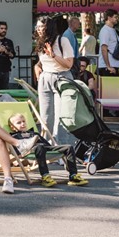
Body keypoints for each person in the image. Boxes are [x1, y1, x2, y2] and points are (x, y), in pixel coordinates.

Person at [7, 113, 88, 187]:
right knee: (40, 147)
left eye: (23, 121)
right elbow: (16, 149)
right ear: (12, 127)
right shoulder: (13, 136)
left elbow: (48, 145)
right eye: (19, 123)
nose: (22, 124)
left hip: (44, 148)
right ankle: (45, 176)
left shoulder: (34, 133)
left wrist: (53, 150)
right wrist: (17, 156)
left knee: (69, 147)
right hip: (31, 150)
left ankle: (73, 175)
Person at [34, 15, 75, 144]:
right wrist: (37, 66)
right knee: (45, 117)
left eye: (42, 26)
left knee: (60, 116)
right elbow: (43, 60)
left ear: (49, 27)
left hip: (61, 77)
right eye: (37, 26)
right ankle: (46, 145)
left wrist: (53, 55)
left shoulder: (62, 41)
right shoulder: (41, 41)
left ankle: (61, 146)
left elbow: (69, 64)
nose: (39, 29)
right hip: (45, 78)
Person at [98, 9, 119, 76]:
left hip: (114, 64)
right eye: (115, 17)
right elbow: (104, 48)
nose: (117, 19)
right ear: (109, 18)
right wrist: (108, 66)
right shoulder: (105, 31)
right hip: (107, 66)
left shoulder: (113, 30)